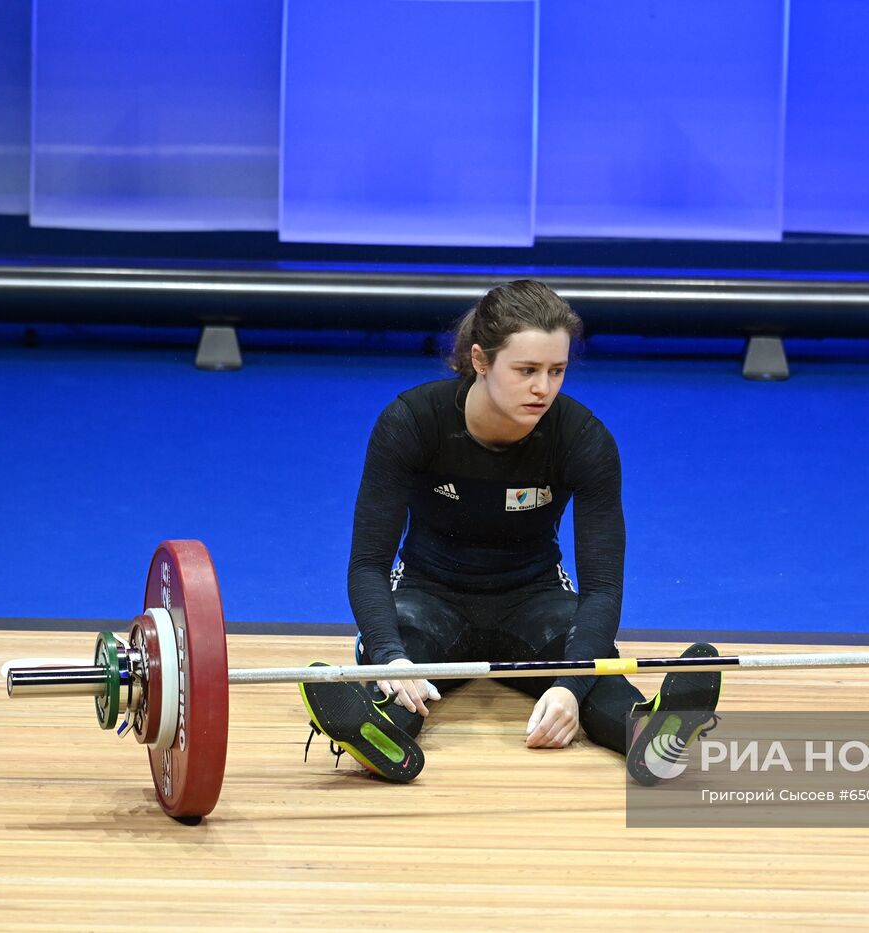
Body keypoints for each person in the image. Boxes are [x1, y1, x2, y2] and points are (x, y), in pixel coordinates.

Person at [299, 279, 721, 785]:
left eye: (557, 371)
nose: (543, 388)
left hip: (534, 599)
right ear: (481, 360)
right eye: (526, 371)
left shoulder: (584, 439)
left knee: (590, 664)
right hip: (425, 596)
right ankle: (376, 727)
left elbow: (603, 587)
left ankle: (653, 735)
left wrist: (570, 686)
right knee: (402, 672)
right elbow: (368, 564)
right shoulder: (411, 422)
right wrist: (389, 655)